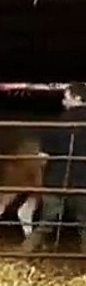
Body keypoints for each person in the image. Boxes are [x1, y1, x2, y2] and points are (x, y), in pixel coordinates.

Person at [23, 82, 86, 252]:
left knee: (47, 221)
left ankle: (23, 251)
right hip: (82, 182)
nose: (63, 101)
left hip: (55, 180)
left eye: (66, 97)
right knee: (85, 224)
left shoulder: (56, 124)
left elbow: (43, 156)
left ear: (77, 98)